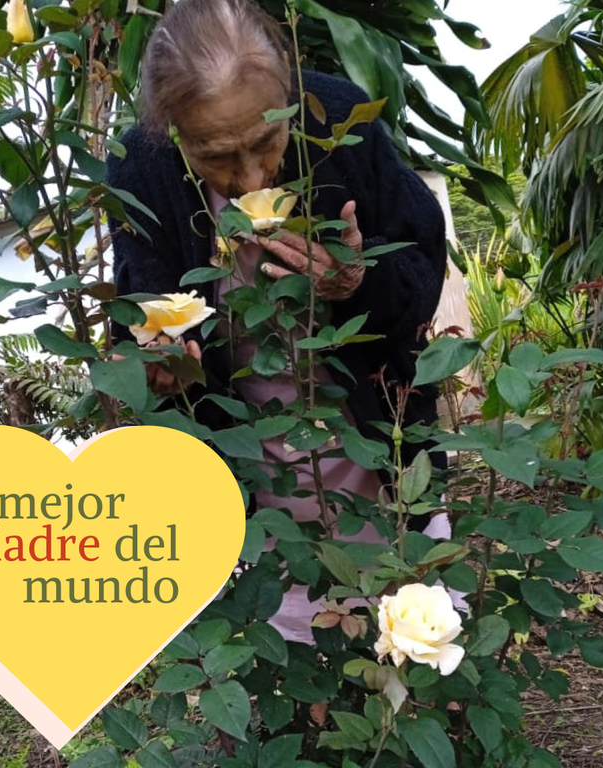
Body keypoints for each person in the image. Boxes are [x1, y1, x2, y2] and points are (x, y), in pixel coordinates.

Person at [106, 0, 450, 643]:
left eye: (266, 143)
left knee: (421, 650)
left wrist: (358, 280)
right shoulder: (141, 170)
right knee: (296, 679)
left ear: (289, 91)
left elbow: (420, 272)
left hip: (379, 456)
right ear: (173, 132)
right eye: (215, 157)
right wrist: (155, 363)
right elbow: (138, 313)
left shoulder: (343, 122)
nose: (249, 177)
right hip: (251, 492)